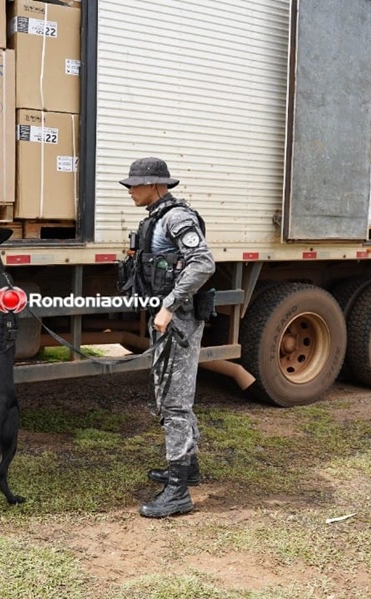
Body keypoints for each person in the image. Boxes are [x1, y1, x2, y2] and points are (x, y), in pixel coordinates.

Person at [119, 157, 215, 518]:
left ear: (155, 185)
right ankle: (187, 469)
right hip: (166, 319)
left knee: (174, 402)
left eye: (135, 185)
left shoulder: (176, 217)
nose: (130, 191)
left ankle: (177, 492)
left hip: (178, 321)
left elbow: (203, 262)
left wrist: (170, 306)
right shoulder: (156, 217)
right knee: (169, 396)